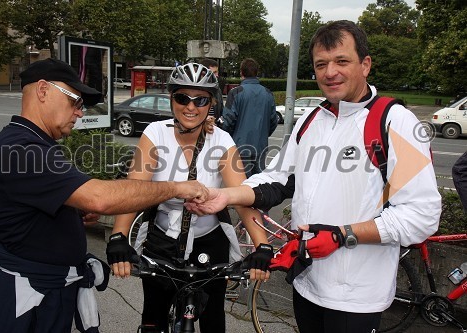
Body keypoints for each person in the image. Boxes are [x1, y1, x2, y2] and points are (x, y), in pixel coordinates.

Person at [186, 20, 441, 333]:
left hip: (356, 298)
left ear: (365, 64)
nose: (330, 72)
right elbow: (277, 180)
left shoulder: (397, 122)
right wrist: (225, 195)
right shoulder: (311, 119)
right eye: (321, 64)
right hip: (306, 284)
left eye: (341, 61)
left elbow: (422, 216)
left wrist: (341, 234)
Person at [0, 58, 208, 333]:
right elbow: (100, 198)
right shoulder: (22, 150)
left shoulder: (35, 144)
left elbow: (31, 202)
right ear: (43, 91)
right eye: (75, 102)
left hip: (43, 294)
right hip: (15, 303)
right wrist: (176, 188)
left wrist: (72, 213)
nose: (80, 112)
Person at [107, 62, 273, 333]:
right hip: (161, 240)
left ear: (212, 104)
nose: (190, 107)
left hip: (210, 241)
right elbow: (133, 191)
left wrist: (262, 245)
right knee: (153, 320)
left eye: (201, 100)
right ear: (171, 99)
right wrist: (119, 237)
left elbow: (243, 197)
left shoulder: (221, 141)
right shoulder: (156, 133)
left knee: (213, 323)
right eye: (182, 98)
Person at [220, 58, 277, 177]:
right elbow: (273, 120)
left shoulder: (236, 92)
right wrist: (263, 134)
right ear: (257, 72)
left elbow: (228, 121)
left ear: (241, 72)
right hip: (260, 146)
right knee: (258, 184)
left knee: (241, 184)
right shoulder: (268, 93)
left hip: (240, 146)